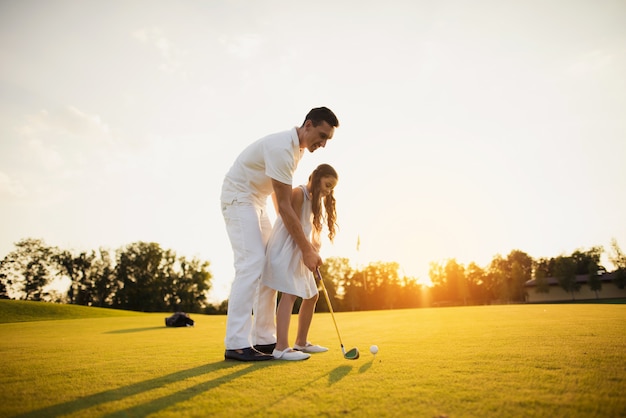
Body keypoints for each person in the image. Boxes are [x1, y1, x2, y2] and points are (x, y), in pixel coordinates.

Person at [220, 107, 339, 361]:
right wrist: (305, 248)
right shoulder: (282, 148)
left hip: (257, 202)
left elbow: (278, 195)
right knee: (250, 263)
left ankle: (265, 340)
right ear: (307, 125)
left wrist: (285, 228)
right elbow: (285, 205)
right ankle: (236, 343)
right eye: (321, 135)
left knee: (267, 266)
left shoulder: (297, 151)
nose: (323, 143)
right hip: (239, 197)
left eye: (327, 139)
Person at [262, 164, 339, 360]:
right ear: (316, 177)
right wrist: (308, 251)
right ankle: (281, 347)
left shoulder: (314, 200)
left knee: (312, 296)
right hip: (287, 250)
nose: (328, 191)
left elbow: (307, 229)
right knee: (289, 295)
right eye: (327, 184)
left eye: (332, 188)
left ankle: (301, 342)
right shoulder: (298, 193)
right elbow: (292, 226)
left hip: (300, 251)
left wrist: (314, 249)